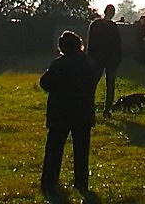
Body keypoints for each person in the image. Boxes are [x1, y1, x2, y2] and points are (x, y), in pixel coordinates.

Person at [40, 29, 100, 198]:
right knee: (82, 150)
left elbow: (45, 83)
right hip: (83, 111)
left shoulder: (59, 65)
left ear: (63, 48)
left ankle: (49, 182)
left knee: (54, 148)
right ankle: (81, 183)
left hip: (61, 112)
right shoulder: (90, 63)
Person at [87, 4, 123, 118]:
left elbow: (90, 41)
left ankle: (89, 107)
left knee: (92, 84)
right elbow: (118, 44)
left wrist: (90, 55)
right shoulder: (114, 27)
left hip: (97, 57)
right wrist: (118, 58)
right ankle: (107, 110)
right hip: (111, 59)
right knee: (110, 85)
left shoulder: (95, 24)